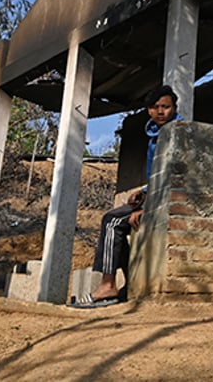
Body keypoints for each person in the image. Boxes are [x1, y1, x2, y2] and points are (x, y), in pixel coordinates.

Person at [72, 85, 180, 308]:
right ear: (148, 110)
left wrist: (146, 208)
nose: (161, 112)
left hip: (169, 201)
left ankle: (108, 285)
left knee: (112, 222)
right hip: (154, 196)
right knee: (114, 220)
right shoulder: (153, 133)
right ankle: (128, 283)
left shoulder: (178, 133)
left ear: (174, 108)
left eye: (166, 107)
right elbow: (157, 177)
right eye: (155, 107)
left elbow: (174, 177)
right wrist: (143, 193)